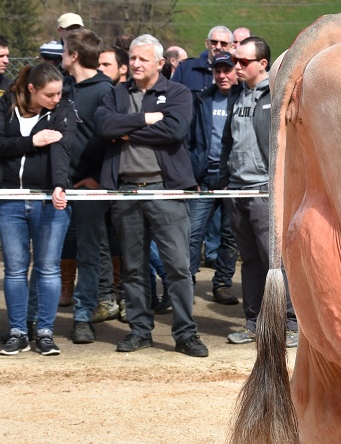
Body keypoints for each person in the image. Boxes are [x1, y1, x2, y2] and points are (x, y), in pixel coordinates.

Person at [95, 34, 208, 357]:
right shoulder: (116, 94)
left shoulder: (178, 92)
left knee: (178, 267)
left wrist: (125, 130)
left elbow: (174, 130)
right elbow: (103, 125)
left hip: (166, 190)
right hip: (126, 191)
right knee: (133, 268)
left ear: (160, 63)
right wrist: (144, 119)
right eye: (132, 58)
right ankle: (139, 330)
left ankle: (185, 333)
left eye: (143, 59)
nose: (136, 64)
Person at [220, 36, 299, 346]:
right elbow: (229, 143)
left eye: (243, 62)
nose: (236, 67)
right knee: (250, 261)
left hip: (266, 192)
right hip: (236, 192)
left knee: (275, 261)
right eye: (235, 61)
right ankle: (253, 323)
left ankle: (291, 323)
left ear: (262, 64)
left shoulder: (278, 96)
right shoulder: (236, 97)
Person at [0, 63, 76, 355]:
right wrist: (32, 142)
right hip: (9, 199)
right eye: (50, 94)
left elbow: (61, 149)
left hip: (48, 201)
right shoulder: (5, 106)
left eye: (59, 93)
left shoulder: (63, 110)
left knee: (48, 268)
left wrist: (59, 185)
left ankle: (45, 332)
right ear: (31, 89)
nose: (56, 99)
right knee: (16, 270)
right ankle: (18, 331)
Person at [61, 29, 117, 344]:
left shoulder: (105, 91)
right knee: (53, 256)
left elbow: (111, 140)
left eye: (64, 51)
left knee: (89, 253)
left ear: (75, 56)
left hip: (89, 189)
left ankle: (83, 318)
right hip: (58, 187)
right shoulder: (64, 88)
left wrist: (97, 177)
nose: (61, 57)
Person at [187, 51, 239, 305]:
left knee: (230, 235)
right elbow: (190, 140)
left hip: (233, 179)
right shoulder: (202, 100)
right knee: (193, 233)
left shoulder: (243, 99)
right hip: (205, 178)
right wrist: (191, 174)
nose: (221, 75)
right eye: (217, 71)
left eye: (226, 70)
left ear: (234, 71)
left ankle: (222, 284)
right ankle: (188, 283)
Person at [171, 26, 233, 92]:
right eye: (214, 42)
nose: (218, 47)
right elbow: (172, 96)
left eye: (223, 44)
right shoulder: (185, 68)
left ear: (231, 47)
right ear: (207, 43)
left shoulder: (236, 71)